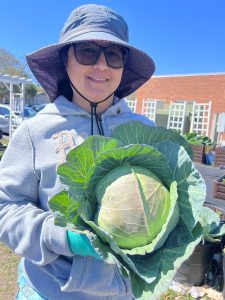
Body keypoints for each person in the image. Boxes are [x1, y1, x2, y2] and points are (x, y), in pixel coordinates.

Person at [0, 4, 155, 300]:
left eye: (114, 54)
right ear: (65, 59)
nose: (102, 66)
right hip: (50, 292)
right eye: (87, 51)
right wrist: (61, 236)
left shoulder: (146, 131)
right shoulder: (35, 131)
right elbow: (5, 206)